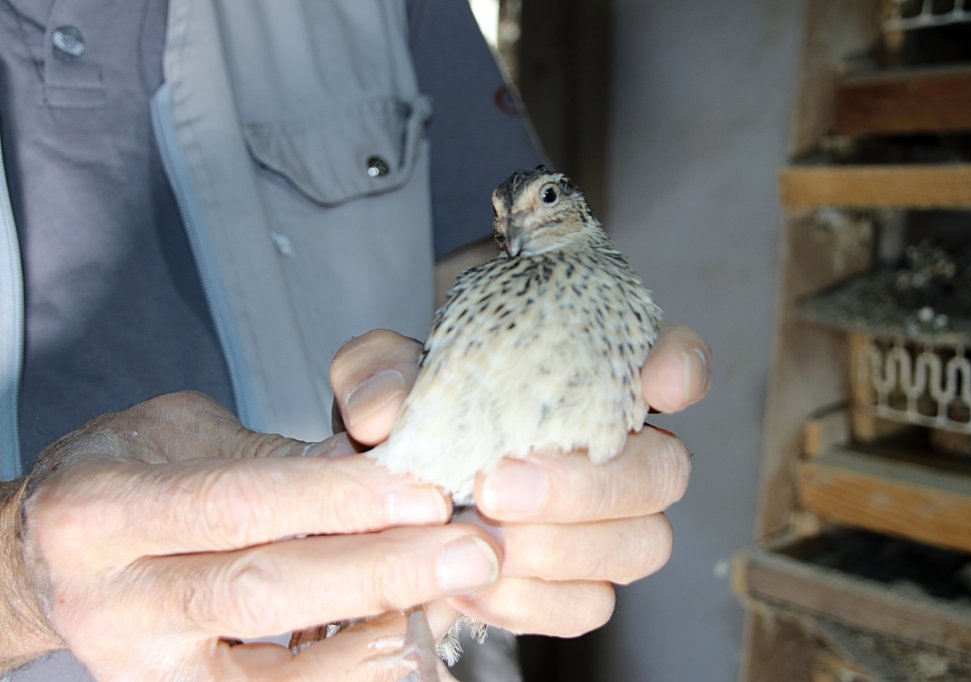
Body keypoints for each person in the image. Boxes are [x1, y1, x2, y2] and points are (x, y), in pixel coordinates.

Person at [0, 1, 711, 680]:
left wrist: (556, 459)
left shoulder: (401, 8)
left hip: (437, 605)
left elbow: (472, 276)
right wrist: (16, 579)